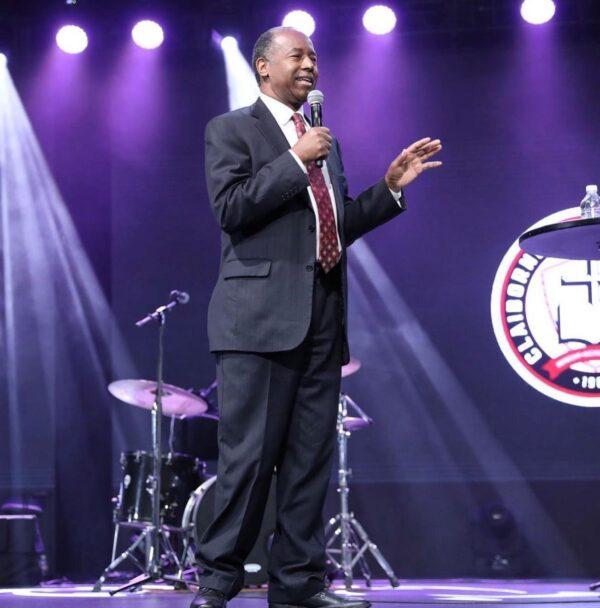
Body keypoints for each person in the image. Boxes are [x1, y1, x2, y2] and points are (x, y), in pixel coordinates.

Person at [191, 26, 442, 608]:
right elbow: (232, 210)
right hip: (255, 323)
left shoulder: (322, 140)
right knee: (249, 460)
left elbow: (335, 228)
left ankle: (300, 583)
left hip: (322, 318)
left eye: (314, 57)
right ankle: (216, 581)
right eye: (297, 56)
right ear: (262, 67)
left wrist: (389, 189)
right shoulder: (232, 130)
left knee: (309, 462)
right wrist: (293, 160)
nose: (310, 65)